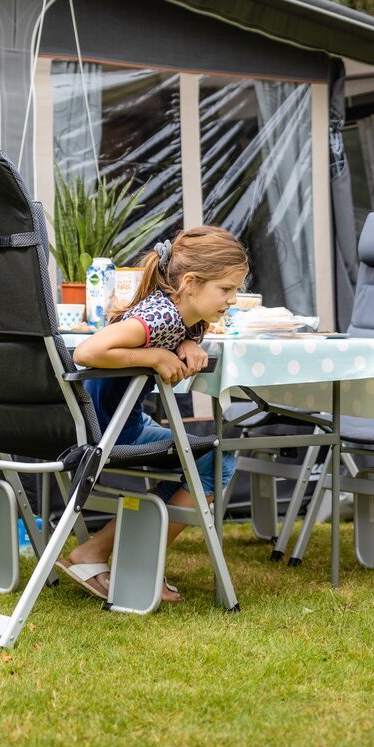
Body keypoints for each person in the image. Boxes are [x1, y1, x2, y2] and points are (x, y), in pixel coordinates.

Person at [60, 225, 248, 602]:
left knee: (209, 458)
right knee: (216, 461)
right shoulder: (161, 315)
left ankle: (106, 553)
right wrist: (156, 356)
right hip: (109, 430)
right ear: (192, 282)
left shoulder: (184, 311)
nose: (232, 299)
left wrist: (191, 341)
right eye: (226, 289)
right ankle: (132, 564)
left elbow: (181, 331)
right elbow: (87, 352)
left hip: (117, 422)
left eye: (236, 290)